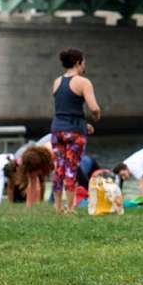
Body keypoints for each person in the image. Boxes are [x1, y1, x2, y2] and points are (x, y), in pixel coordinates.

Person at [49, 48, 102, 215]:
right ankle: (71, 208)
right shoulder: (83, 82)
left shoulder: (57, 81)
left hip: (57, 130)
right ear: (78, 62)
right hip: (75, 133)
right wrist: (97, 115)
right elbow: (93, 107)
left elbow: (65, 109)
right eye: (84, 61)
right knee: (71, 168)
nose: (85, 65)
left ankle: (58, 207)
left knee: (59, 168)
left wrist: (83, 123)